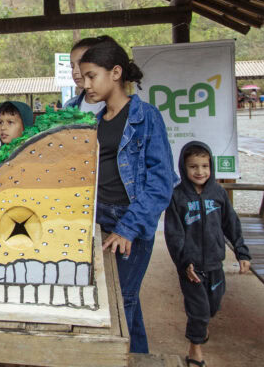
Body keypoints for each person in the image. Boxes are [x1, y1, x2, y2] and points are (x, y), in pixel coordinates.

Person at [79, 35, 177, 353]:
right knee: (121, 301)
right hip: (98, 218)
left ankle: (117, 358)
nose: (86, 84)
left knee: (120, 302)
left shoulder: (146, 117)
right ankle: (139, 358)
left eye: (92, 75)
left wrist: (129, 227)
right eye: (84, 77)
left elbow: (161, 182)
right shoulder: (96, 121)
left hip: (127, 222)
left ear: (116, 73)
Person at [164, 142, 251, 367]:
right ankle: (195, 351)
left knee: (212, 306)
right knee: (199, 311)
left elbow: (232, 224)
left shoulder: (218, 193)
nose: (200, 171)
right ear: (184, 168)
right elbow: (174, 235)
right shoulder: (177, 196)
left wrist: (242, 252)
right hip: (191, 268)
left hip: (215, 265)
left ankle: (201, 328)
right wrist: (184, 264)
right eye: (193, 166)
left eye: (204, 166)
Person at [0, 101, 34, 167]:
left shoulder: (34, 157)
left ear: (26, 126)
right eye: (0, 122)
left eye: (10, 122)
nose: (2, 128)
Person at [65, 37, 106, 115]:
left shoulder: (118, 107)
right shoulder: (69, 106)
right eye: (72, 66)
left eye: (81, 64)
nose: (75, 71)